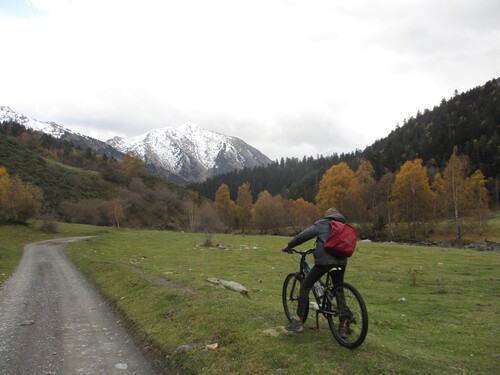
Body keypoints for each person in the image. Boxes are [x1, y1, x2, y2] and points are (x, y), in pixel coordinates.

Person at [282, 207, 348, 333]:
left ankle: (298, 321)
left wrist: (288, 246)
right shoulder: (344, 226)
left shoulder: (322, 224)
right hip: (341, 261)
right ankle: (343, 325)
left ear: (327, 216)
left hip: (325, 261)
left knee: (305, 286)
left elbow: (303, 236)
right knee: (339, 290)